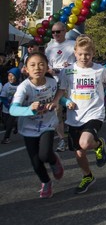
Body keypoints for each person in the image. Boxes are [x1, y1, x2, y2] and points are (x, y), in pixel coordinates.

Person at [50, 35, 106, 194]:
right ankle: (87, 176)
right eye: (81, 54)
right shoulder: (68, 71)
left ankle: (99, 144)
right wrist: (57, 101)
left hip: (94, 113)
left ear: (93, 53)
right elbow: (62, 90)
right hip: (74, 116)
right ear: (75, 53)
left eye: (88, 54)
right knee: (79, 153)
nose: (84, 57)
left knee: (84, 143)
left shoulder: (99, 69)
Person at [9, 52, 65, 198]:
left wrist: (65, 102)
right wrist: (29, 109)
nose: (37, 68)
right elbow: (13, 110)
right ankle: (46, 182)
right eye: (32, 65)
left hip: (47, 124)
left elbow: (58, 98)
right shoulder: (24, 87)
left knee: (45, 154)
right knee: (35, 162)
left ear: (47, 67)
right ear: (26, 69)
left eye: (41, 64)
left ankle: (54, 160)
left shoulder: (52, 82)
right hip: (28, 128)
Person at [45, 22, 76, 152]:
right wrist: (50, 70)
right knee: (56, 111)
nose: (56, 34)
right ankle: (62, 140)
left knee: (72, 109)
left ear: (64, 31)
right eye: (53, 32)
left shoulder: (73, 44)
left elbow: (81, 61)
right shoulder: (49, 48)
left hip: (71, 82)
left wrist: (69, 65)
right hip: (55, 83)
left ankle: (74, 136)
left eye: (58, 31)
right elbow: (47, 65)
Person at [0, 68, 21, 143]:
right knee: (6, 123)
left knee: (9, 124)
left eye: (13, 76)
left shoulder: (20, 86)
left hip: (14, 109)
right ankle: (16, 125)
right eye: (9, 75)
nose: (10, 77)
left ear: (17, 76)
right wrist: (8, 105)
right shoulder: (6, 85)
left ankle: (6, 138)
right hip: (6, 108)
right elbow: (3, 97)